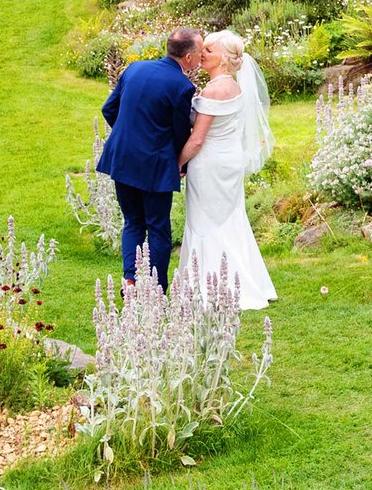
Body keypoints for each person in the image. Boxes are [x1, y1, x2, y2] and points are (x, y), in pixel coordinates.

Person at [173, 29, 276, 310]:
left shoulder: (214, 90)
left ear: (223, 59)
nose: (201, 54)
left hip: (209, 164)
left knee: (205, 220)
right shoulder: (234, 87)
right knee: (229, 219)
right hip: (229, 160)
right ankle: (242, 280)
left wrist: (177, 164)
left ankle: (210, 285)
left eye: (208, 50)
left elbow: (197, 140)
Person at [95, 29, 200, 288]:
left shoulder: (135, 68)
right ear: (188, 57)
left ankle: (130, 280)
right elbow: (180, 132)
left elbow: (109, 108)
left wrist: (130, 135)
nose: (201, 57)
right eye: (199, 52)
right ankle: (157, 289)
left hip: (122, 158)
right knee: (158, 228)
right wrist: (181, 163)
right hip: (154, 166)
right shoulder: (182, 86)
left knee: (132, 222)